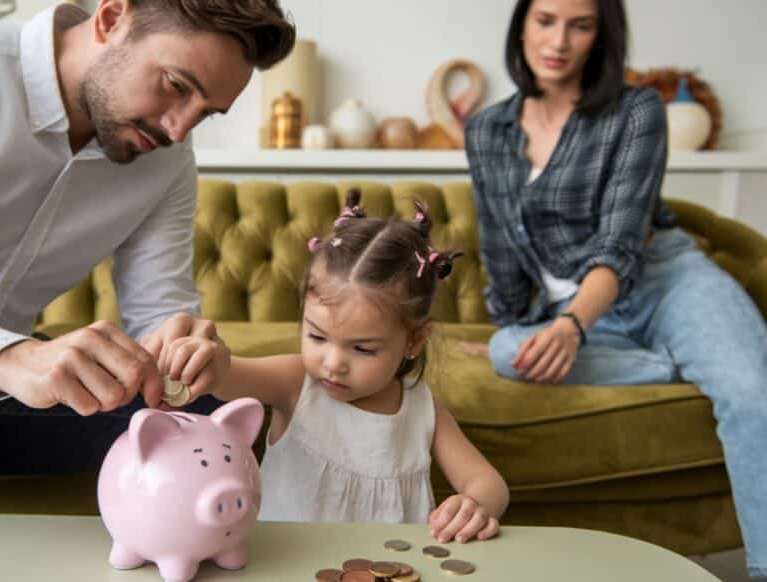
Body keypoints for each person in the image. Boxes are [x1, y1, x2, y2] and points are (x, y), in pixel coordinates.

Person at [0, 0, 295, 550]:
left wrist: (181, 351)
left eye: (206, 112)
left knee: (200, 418)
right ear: (112, 18)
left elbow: (160, 312)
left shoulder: (167, 161)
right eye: (176, 85)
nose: (179, 129)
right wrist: (5, 357)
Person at [463, 0, 767, 576]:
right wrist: (509, 328)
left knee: (754, 392)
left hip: (664, 282)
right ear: (522, 24)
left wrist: (572, 326)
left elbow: (621, 241)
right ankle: (685, 362)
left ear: (600, 36)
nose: (559, 41)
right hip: (570, 313)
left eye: (580, 26)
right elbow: (497, 240)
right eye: (546, 20)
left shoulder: (637, 110)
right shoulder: (486, 130)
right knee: (507, 352)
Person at [159, 189, 509, 543]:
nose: (333, 364)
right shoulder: (295, 382)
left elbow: (488, 482)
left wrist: (475, 504)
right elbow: (226, 377)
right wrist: (210, 359)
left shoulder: (421, 407)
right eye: (317, 337)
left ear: (414, 340)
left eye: (362, 349)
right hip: (287, 567)